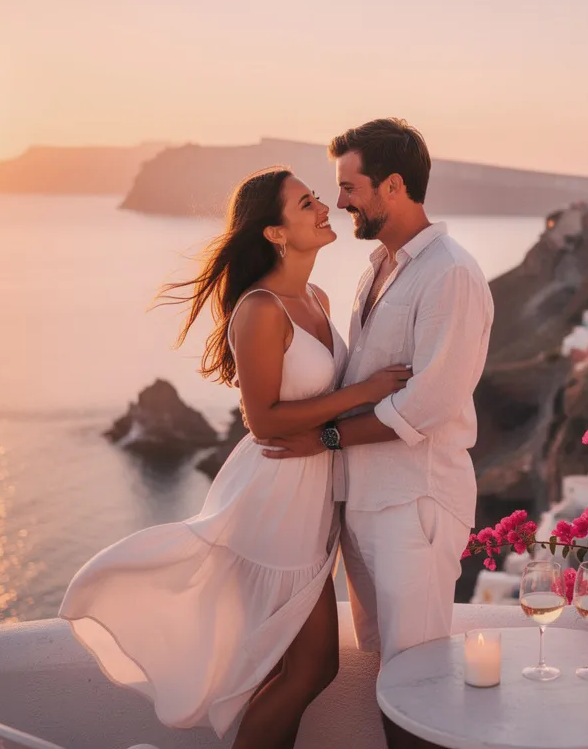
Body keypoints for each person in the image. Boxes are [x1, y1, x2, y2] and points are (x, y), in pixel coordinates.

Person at [59, 166, 411, 748]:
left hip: (309, 497)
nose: (323, 207)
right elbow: (263, 418)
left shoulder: (317, 298)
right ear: (275, 233)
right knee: (311, 668)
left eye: (318, 197)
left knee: (289, 669)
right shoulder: (261, 308)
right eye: (305, 204)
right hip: (273, 501)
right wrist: (364, 392)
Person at [257, 119, 495, 749]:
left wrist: (329, 440)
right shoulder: (377, 268)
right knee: (392, 681)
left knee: (417, 688)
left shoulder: (450, 274)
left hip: (414, 506)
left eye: (349, 185)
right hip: (364, 507)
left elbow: (428, 405)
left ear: (393, 186)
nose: (339, 201)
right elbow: (366, 381)